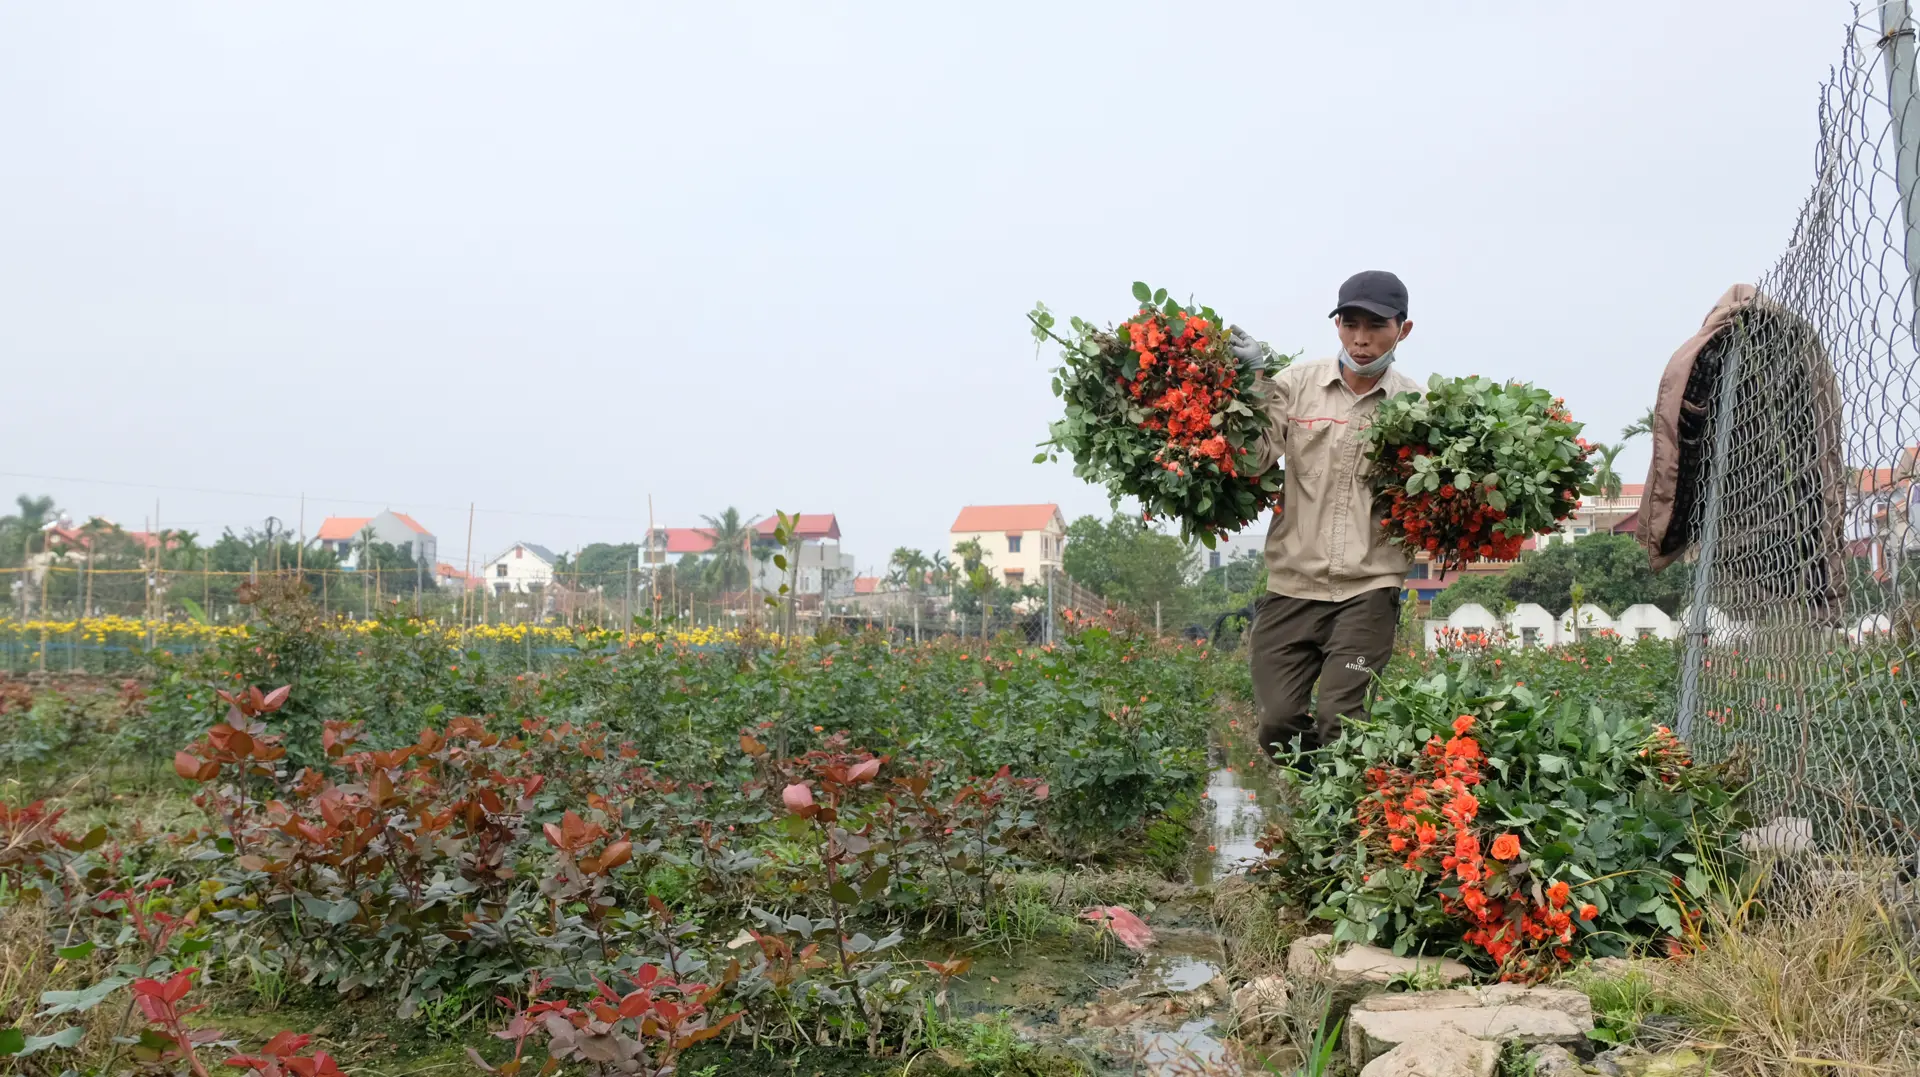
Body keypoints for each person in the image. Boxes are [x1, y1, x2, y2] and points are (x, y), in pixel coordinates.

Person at [1228, 270, 1420, 764]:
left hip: (1367, 590)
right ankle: (1319, 802)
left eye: (1376, 326)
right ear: (1337, 325)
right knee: (1277, 722)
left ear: (1404, 329)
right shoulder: (1295, 386)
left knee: (1342, 720)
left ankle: (1339, 832)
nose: (1360, 338)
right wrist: (1251, 382)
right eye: (1350, 323)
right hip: (1292, 584)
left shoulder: (1417, 410)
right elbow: (1252, 459)